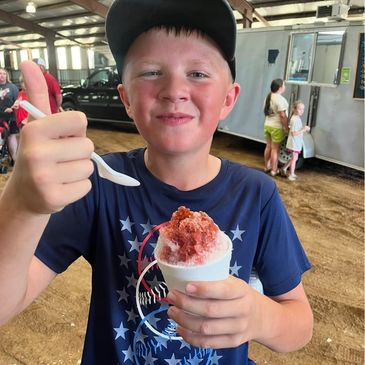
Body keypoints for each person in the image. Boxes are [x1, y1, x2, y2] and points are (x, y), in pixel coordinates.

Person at [0, 1, 313, 364]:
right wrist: (23, 205)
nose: (173, 89)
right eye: (150, 72)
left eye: (197, 73)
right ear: (126, 99)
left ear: (228, 99)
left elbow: (299, 321)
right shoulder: (99, 185)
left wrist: (262, 317)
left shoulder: (256, 194)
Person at [263, 78, 289, 177]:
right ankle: (274, 170)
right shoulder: (281, 99)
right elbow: (282, 116)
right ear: (280, 87)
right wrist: (286, 127)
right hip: (277, 127)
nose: (284, 87)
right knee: (275, 149)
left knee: (268, 146)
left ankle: (266, 166)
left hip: (267, 125)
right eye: (284, 85)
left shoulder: (268, 97)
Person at [280, 100, 310, 181]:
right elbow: (294, 133)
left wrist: (303, 129)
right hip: (294, 142)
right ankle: (291, 174)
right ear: (294, 109)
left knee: (295, 158)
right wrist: (304, 129)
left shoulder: (297, 118)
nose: (301, 111)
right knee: (294, 159)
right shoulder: (294, 119)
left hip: (296, 142)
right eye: (300, 109)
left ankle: (284, 168)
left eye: (303, 109)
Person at [0, 68, 19, 165]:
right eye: (0, 73)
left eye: (4, 73)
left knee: (11, 137)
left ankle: (14, 159)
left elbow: (17, 100)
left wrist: (14, 107)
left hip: (10, 117)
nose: (2, 75)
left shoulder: (12, 87)